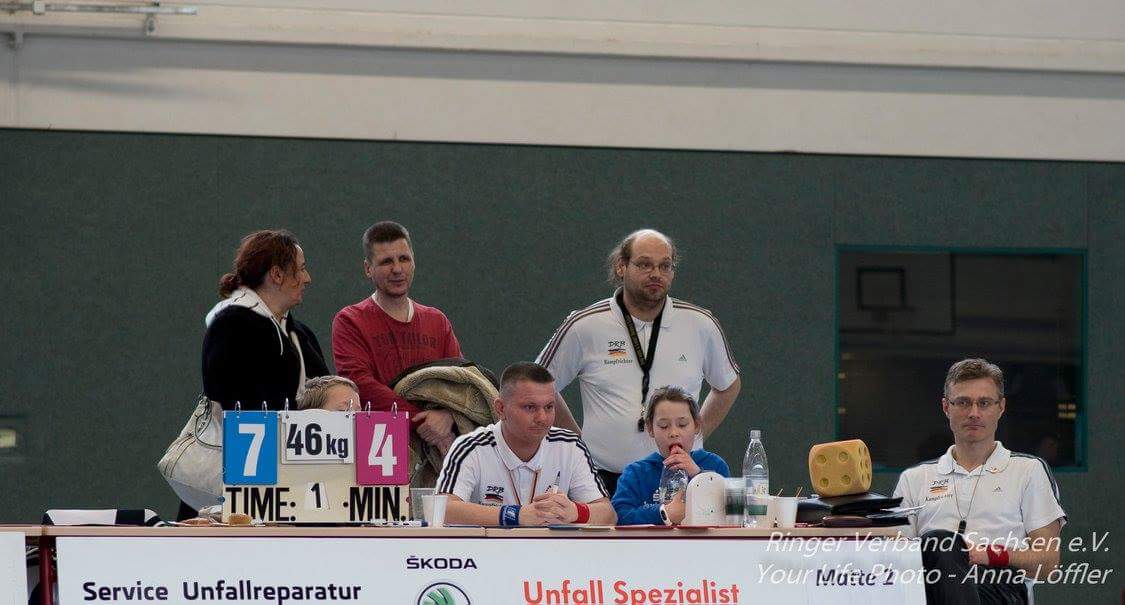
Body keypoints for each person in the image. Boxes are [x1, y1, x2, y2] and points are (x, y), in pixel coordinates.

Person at [535, 229, 741, 494]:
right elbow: (538, 384)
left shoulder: (701, 324)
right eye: (645, 264)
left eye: (665, 266)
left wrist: (696, 432)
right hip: (603, 477)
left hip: (679, 474)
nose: (656, 274)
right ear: (621, 266)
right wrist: (577, 443)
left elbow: (728, 385)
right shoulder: (585, 325)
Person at [894, 358, 1066, 605]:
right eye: (963, 402)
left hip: (1001, 588)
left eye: (984, 403)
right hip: (932, 588)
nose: (974, 413)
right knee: (939, 545)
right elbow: (898, 560)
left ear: (1001, 407)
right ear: (946, 407)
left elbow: (1048, 563)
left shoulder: (1028, 471)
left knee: (942, 543)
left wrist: (988, 555)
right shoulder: (914, 479)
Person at [332, 221, 463, 454]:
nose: (397, 269)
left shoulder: (437, 321)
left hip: (437, 454)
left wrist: (448, 415)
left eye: (404, 259)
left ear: (414, 262)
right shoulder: (350, 321)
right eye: (386, 262)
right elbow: (360, 384)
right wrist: (423, 420)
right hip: (376, 452)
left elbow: (460, 381)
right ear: (368, 268)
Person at [435, 362, 616, 526]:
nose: (542, 418)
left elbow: (608, 514)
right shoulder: (471, 448)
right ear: (501, 409)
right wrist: (515, 515)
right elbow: (443, 510)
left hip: (551, 551)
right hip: (491, 551)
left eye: (549, 407)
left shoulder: (570, 446)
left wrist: (576, 512)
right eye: (530, 407)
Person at [202, 229, 329, 411]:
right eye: (301, 269)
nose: (307, 278)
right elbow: (235, 405)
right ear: (277, 274)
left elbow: (327, 394)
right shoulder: (229, 327)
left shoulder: (302, 335)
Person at [613, 386, 729, 525]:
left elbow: (729, 513)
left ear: (697, 425)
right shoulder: (636, 473)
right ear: (650, 429)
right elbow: (619, 516)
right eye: (664, 426)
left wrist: (698, 475)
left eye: (682, 424)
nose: (674, 433)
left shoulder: (715, 465)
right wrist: (664, 513)